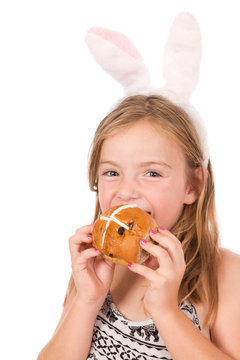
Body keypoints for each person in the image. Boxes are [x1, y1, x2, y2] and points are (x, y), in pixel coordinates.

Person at [38, 94, 240, 360]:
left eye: (152, 173)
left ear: (193, 186)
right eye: (112, 172)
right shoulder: (96, 265)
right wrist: (87, 301)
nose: (126, 191)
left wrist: (167, 312)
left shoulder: (222, 273)